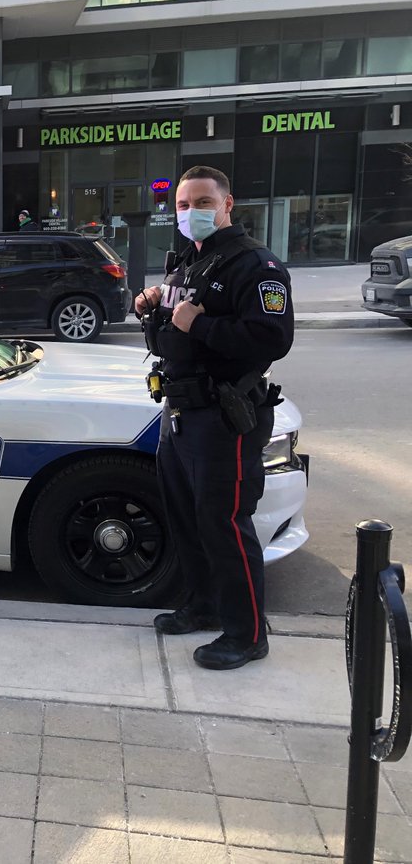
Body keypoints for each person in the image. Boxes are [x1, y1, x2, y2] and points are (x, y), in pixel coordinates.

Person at [135, 165, 293, 671]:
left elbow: (272, 340)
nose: (191, 212)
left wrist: (202, 324)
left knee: (225, 523)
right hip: (179, 410)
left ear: (228, 205)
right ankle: (202, 606)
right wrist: (154, 306)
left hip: (224, 415)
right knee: (187, 517)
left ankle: (247, 634)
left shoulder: (256, 266)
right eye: (183, 205)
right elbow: (173, 331)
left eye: (202, 203)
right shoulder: (187, 262)